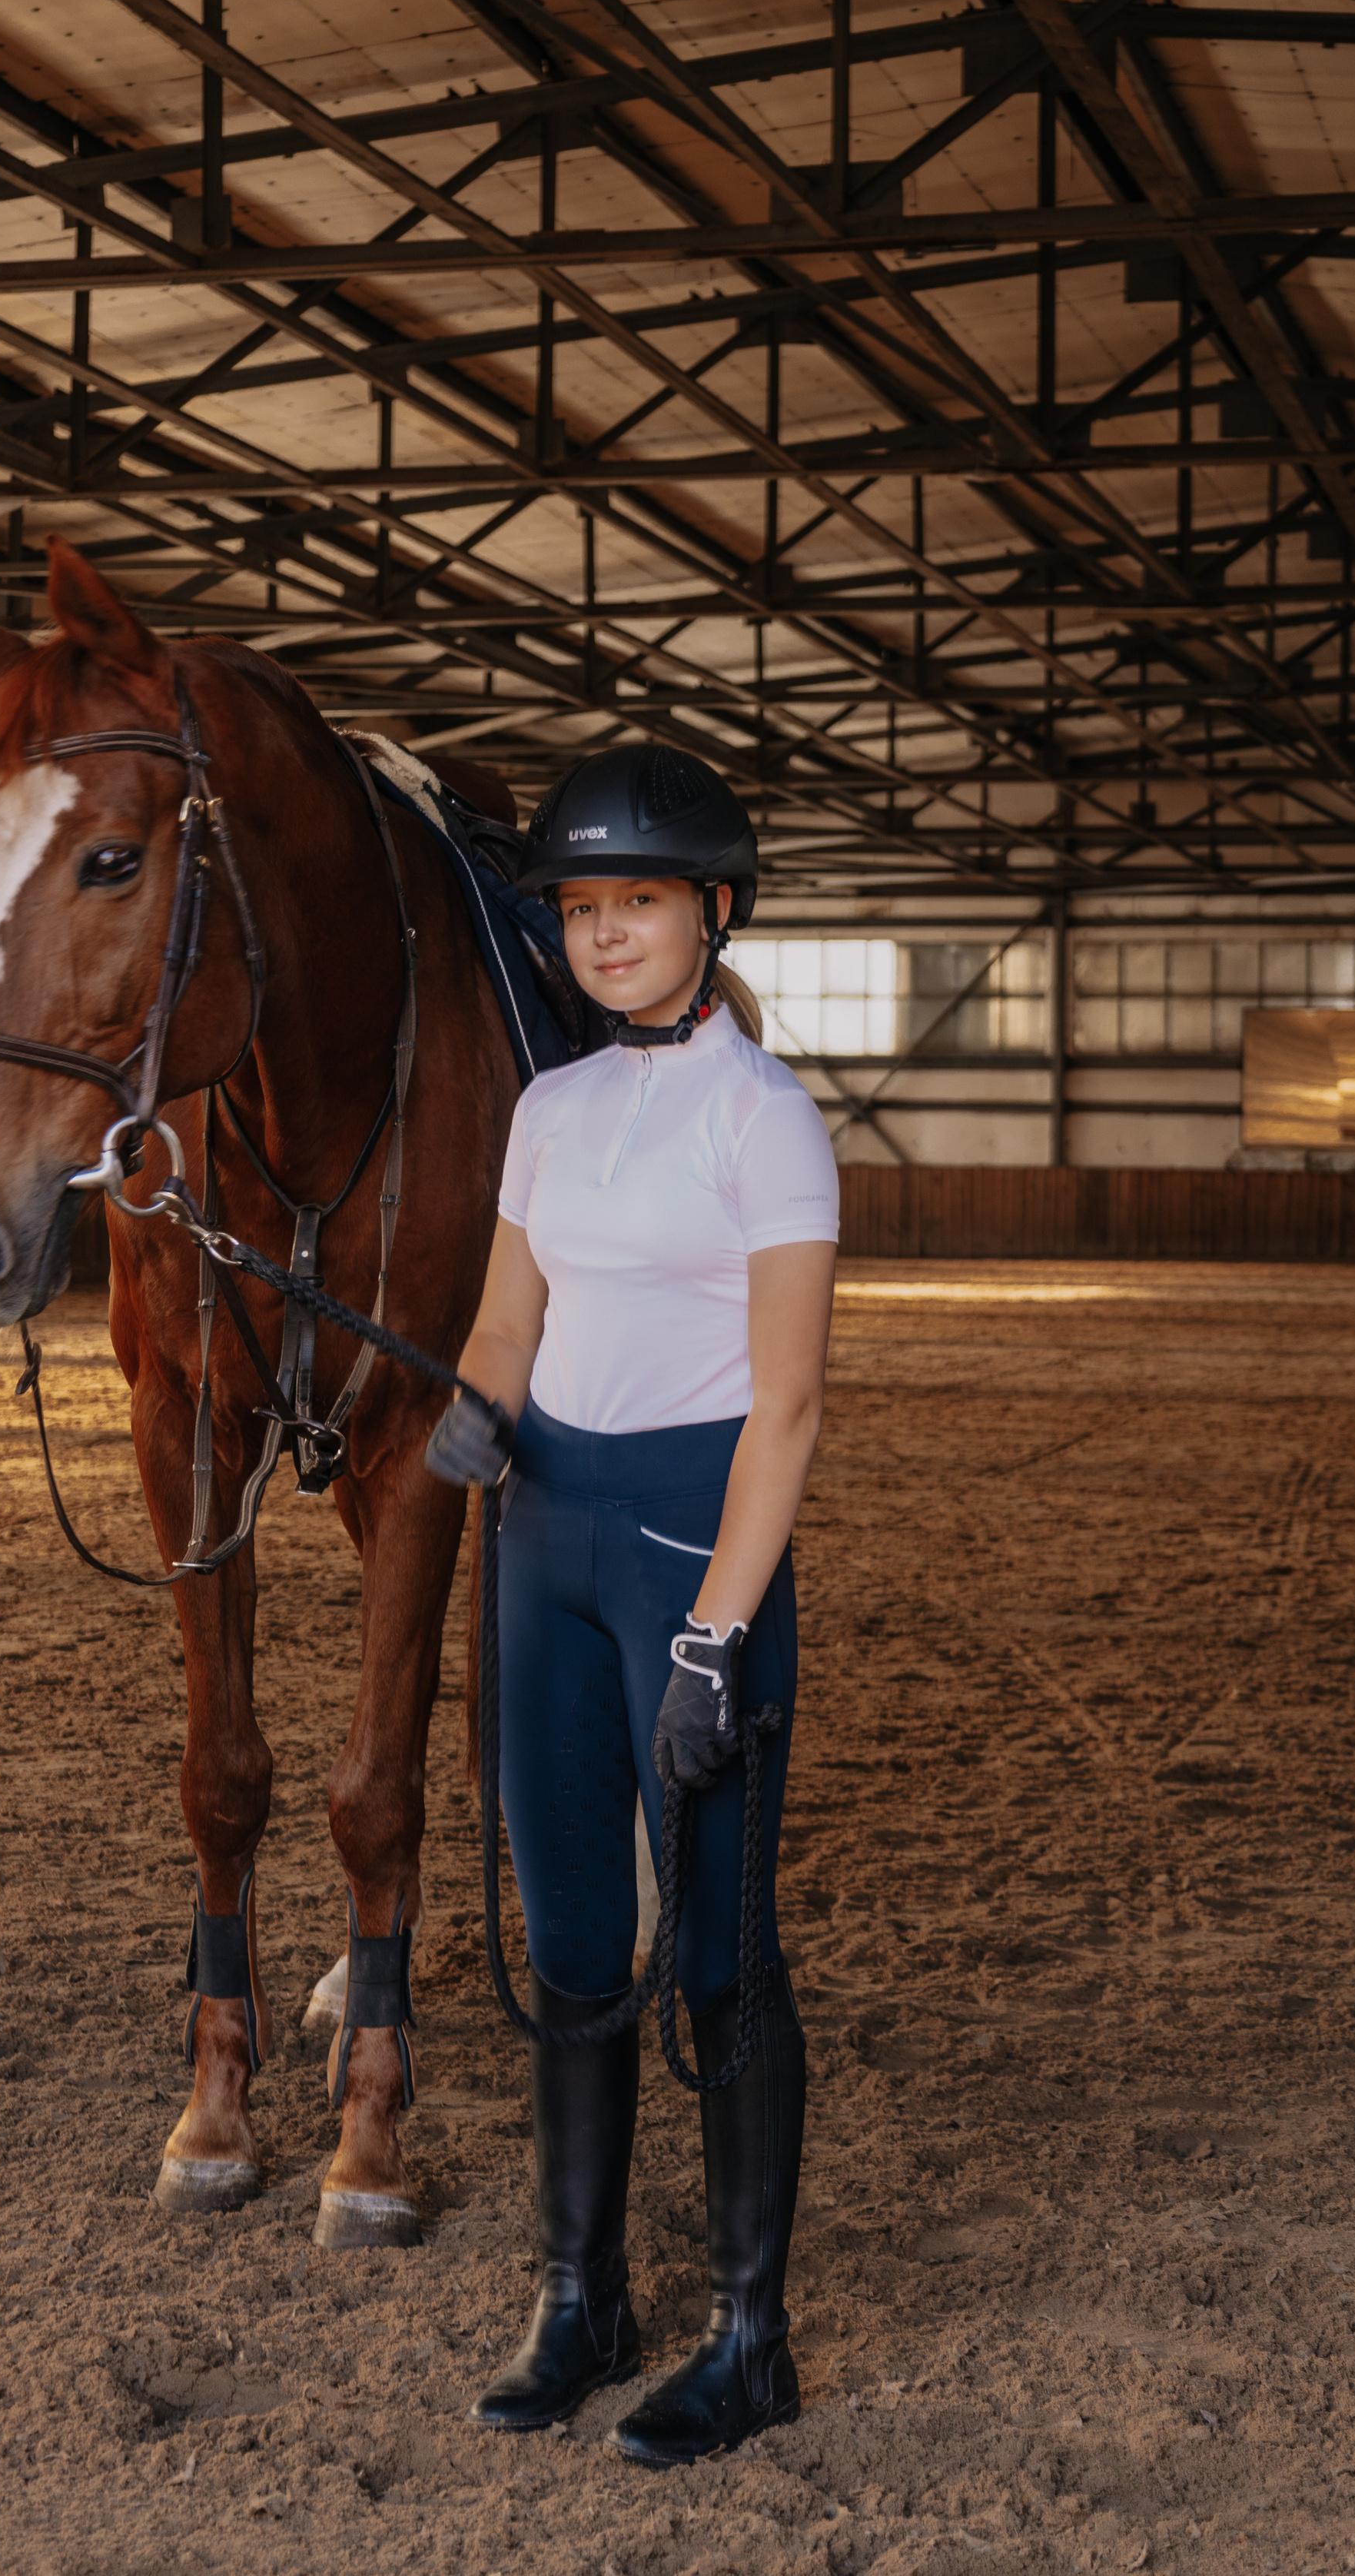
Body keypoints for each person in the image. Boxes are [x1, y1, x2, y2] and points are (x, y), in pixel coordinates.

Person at [424, 743, 839, 2468]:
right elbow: (506, 1329)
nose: (604, 937)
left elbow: (788, 1404)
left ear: (709, 912)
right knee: (574, 1934)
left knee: (719, 1957)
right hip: (543, 1539)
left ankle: (750, 2337)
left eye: (637, 904)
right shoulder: (551, 1109)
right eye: (581, 910)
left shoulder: (767, 1122)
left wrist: (714, 1635)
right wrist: (464, 1416)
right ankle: (578, 2295)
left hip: (689, 1544)